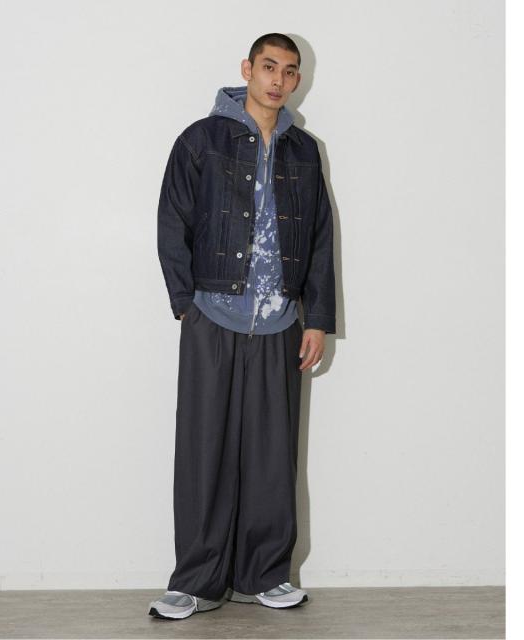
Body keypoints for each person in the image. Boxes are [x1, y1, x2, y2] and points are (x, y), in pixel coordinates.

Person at [149, 33, 336, 620]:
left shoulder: (305, 150)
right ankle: (195, 581)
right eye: (269, 67)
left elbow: (321, 238)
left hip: (280, 321)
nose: (279, 80)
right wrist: (187, 304)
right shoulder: (201, 140)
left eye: (290, 71)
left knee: (272, 456)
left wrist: (317, 319)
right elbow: (172, 221)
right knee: (203, 450)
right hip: (213, 314)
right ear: (247, 70)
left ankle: (266, 574)